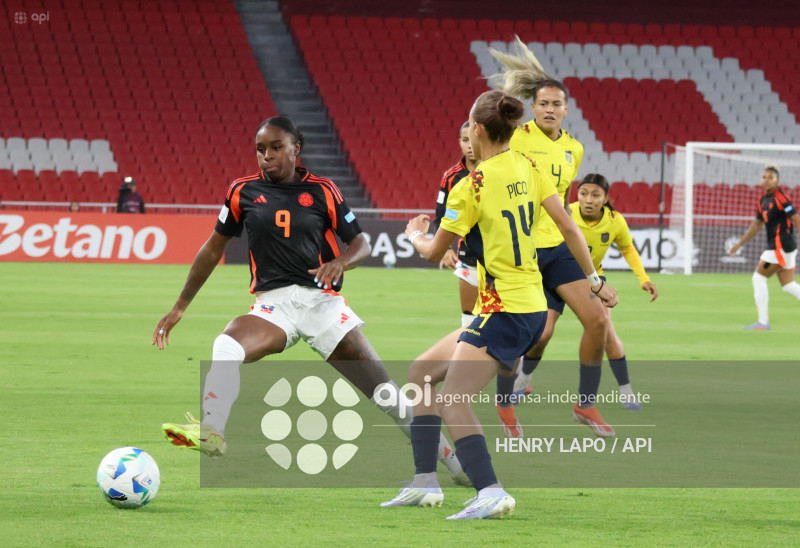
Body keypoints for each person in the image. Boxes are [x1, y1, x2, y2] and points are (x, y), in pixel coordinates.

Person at [153, 116, 468, 485]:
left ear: (295, 149)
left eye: (275, 147)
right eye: (260, 149)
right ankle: (212, 430)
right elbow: (211, 249)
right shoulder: (242, 191)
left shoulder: (322, 190)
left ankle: (458, 466)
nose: (266, 156)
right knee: (227, 343)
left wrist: (341, 262)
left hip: (323, 305)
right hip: (274, 307)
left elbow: (361, 243)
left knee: (387, 396)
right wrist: (180, 306)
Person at [381, 91, 617, 519]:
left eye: (469, 126)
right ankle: (424, 482)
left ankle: (490, 491)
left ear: (478, 129)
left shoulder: (470, 187)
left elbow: (434, 252)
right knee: (421, 373)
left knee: (452, 398)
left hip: (507, 309)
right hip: (520, 304)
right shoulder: (528, 166)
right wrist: (595, 281)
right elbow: (568, 226)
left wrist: (414, 233)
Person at [488, 37, 613, 438]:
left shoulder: (574, 149)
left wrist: (595, 278)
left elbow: (561, 203)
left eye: (556, 104)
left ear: (566, 109)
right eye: (543, 103)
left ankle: (585, 404)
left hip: (556, 247)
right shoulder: (515, 136)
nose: (549, 109)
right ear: (532, 106)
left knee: (598, 320)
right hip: (521, 250)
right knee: (537, 334)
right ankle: (505, 404)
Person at [563, 173, 658, 410]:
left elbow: (627, 248)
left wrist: (643, 279)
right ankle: (521, 382)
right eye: (583, 193)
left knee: (606, 332)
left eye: (596, 195)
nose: (588, 200)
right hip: (558, 277)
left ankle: (626, 392)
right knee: (540, 332)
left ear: (605, 198)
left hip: (593, 279)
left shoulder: (615, 220)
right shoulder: (566, 212)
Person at [729, 164, 800, 329]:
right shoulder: (762, 201)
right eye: (764, 177)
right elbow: (756, 225)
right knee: (788, 285)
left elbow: (796, 218)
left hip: (780, 245)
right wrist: (739, 244)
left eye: (771, 178)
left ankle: (763, 322)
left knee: (758, 278)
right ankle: (762, 322)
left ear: (777, 181)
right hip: (782, 247)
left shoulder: (782, 198)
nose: (767, 181)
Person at [434, 121, 480, 327]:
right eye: (465, 140)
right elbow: (441, 216)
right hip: (470, 256)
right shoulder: (451, 177)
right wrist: (444, 249)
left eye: (474, 139)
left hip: (501, 259)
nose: (470, 145)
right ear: (459, 142)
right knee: (469, 322)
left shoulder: (499, 170)